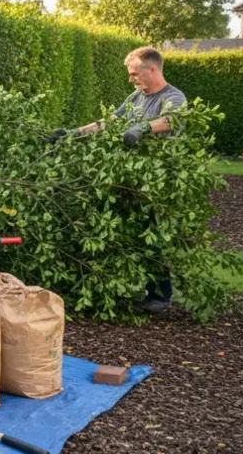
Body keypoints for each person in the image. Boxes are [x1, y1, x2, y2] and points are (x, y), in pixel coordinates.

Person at [46, 46, 187, 315]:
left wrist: (144, 127)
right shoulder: (136, 96)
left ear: (152, 69)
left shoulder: (173, 96)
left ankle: (160, 295)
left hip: (157, 179)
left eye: (134, 74)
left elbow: (173, 120)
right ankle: (125, 284)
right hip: (127, 176)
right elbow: (109, 123)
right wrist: (73, 133)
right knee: (124, 230)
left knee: (153, 234)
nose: (131, 79)